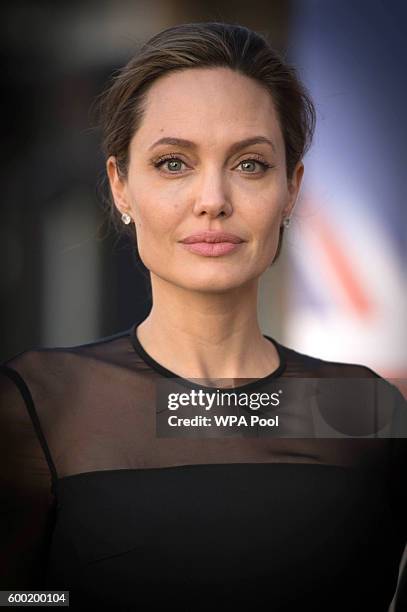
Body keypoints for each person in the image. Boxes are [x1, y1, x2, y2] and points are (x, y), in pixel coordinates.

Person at [1, 21, 406, 611]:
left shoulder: (364, 411)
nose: (212, 199)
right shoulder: (42, 404)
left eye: (249, 165)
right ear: (121, 187)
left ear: (292, 189)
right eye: (173, 163)